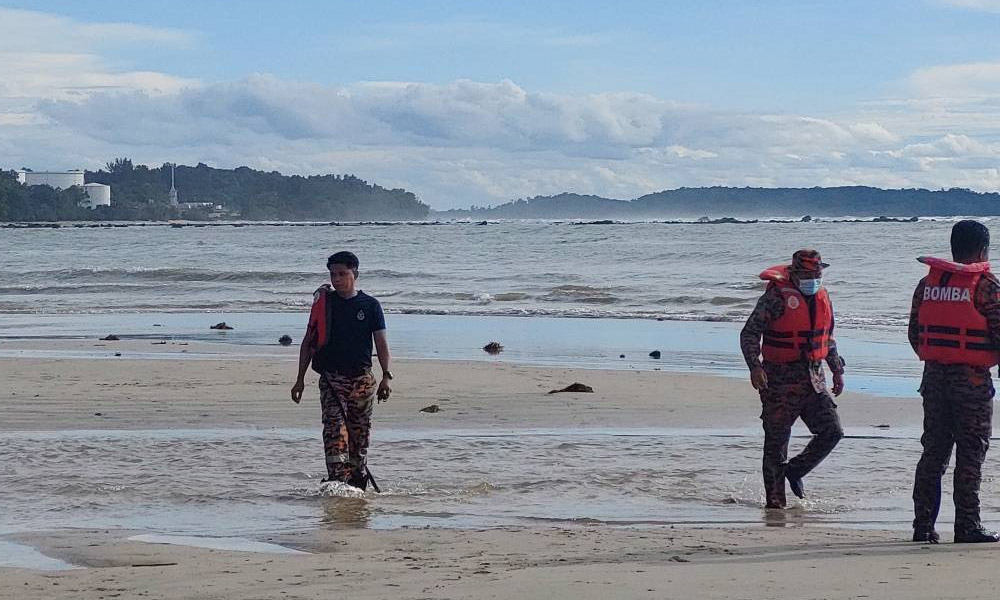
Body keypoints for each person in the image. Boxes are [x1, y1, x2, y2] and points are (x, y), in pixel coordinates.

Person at [910, 220, 1000, 544]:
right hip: (972, 384)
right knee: (971, 454)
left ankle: (922, 526)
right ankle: (967, 525)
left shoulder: (926, 285)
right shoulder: (987, 286)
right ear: (982, 250)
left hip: (933, 380)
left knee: (933, 453)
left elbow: (914, 334)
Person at [740, 249, 845, 509]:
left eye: (817, 274)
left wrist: (837, 369)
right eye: (808, 275)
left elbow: (826, 338)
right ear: (794, 274)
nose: (814, 279)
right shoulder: (775, 298)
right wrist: (755, 367)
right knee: (776, 444)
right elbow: (749, 334)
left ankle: (796, 470)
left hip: (813, 378)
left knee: (832, 431)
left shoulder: (823, 296)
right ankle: (775, 505)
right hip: (778, 380)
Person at [291, 251, 393, 490]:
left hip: (362, 380)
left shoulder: (370, 306)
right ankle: (337, 480)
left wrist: (386, 376)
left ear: (354, 274)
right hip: (331, 378)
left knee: (360, 435)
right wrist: (300, 379)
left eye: (342, 274)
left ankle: (357, 479)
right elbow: (308, 341)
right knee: (335, 431)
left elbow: (382, 345)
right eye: (332, 274)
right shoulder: (324, 305)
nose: (336, 279)